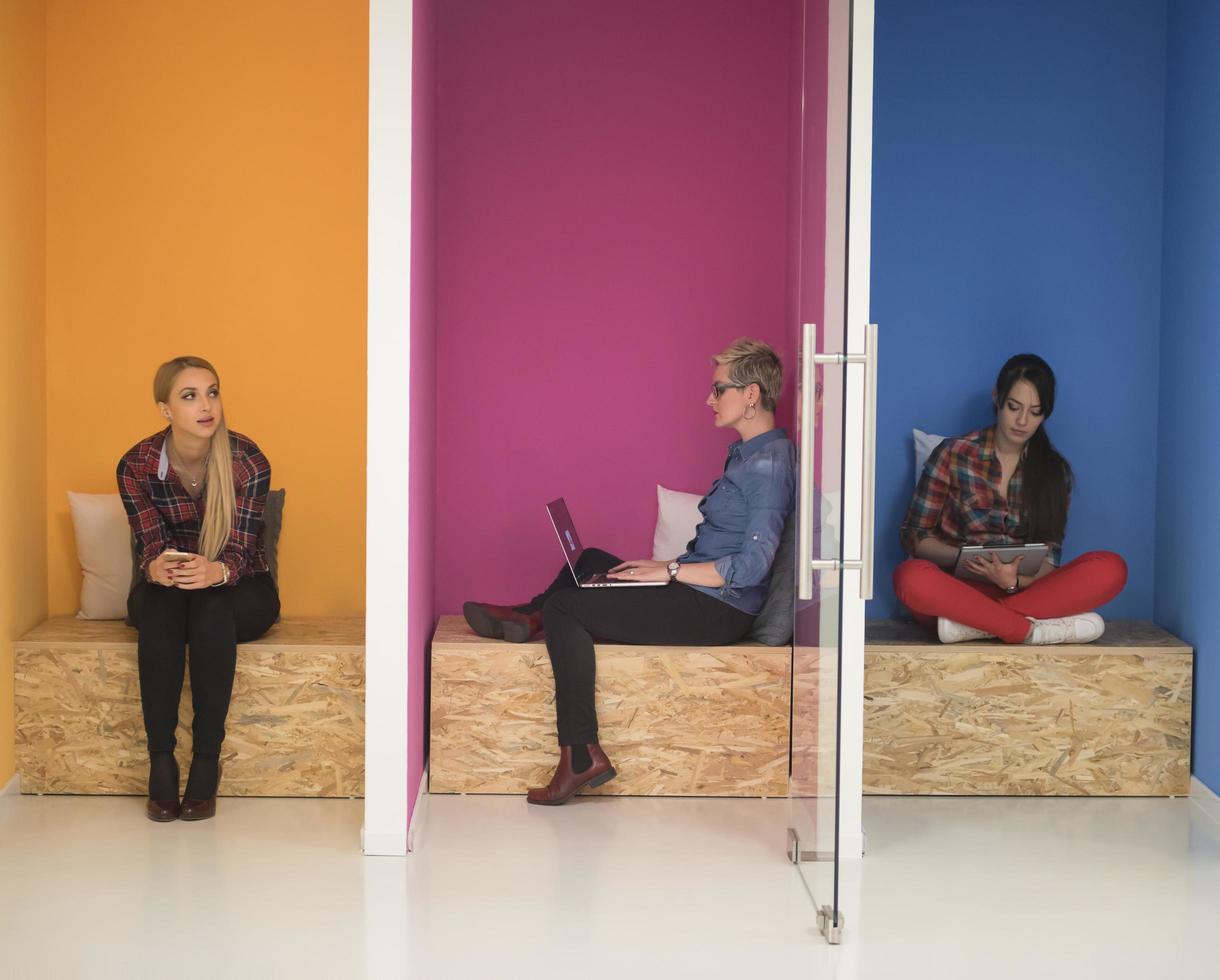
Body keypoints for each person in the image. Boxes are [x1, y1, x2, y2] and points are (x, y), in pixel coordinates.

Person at [463, 338, 796, 806]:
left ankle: (580, 755)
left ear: (751, 395)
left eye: (718, 389)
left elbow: (750, 568)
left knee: (568, 607)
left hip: (716, 611)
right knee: (594, 560)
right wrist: (661, 568)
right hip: (701, 593)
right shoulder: (748, 456)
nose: (708, 399)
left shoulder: (768, 467)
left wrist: (674, 571)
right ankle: (531, 618)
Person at [117, 356, 280, 822]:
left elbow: (244, 549)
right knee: (166, 606)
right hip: (168, 588)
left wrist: (217, 571)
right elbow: (149, 543)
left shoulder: (247, 460)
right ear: (165, 409)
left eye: (212, 392)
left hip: (242, 586)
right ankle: (161, 761)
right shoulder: (137, 464)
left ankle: (206, 762)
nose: (206, 405)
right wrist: (157, 569)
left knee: (209, 606)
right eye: (190, 396)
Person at [893, 353, 1126, 645]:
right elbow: (913, 536)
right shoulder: (953, 454)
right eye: (1014, 407)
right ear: (997, 398)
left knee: (1111, 568)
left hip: (1023, 592)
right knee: (910, 577)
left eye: (1035, 412)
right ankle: (1026, 630)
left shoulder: (1055, 471)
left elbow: (1050, 557)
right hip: (957, 591)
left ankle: (976, 626)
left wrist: (1013, 582)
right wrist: (965, 558)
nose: (1022, 421)